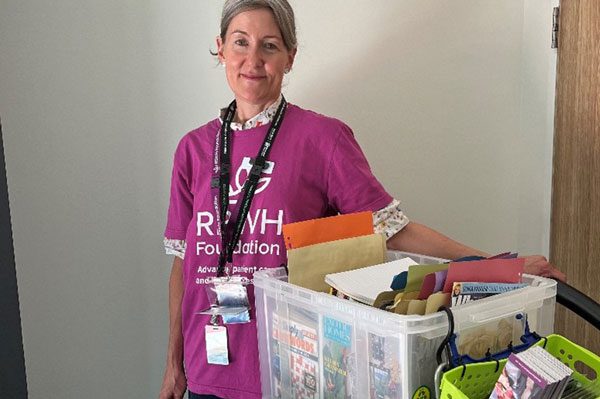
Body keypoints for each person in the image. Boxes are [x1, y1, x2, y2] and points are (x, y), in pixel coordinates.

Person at [159, 1, 567, 398]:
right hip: (206, 369)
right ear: (221, 48)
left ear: (290, 57)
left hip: (289, 369)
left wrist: (497, 267)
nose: (253, 59)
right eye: (240, 42)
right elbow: (184, 262)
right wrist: (174, 366)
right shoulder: (194, 149)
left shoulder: (322, 139)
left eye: (270, 45)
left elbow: (392, 231)